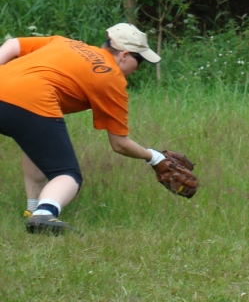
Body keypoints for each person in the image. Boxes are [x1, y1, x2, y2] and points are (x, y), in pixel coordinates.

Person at [0, 23, 170, 235]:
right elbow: (120, 144)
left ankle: (32, 208)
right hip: (31, 101)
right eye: (140, 61)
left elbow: (13, 44)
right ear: (124, 55)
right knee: (66, 174)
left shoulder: (65, 43)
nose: (138, 69)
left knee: (36, 145)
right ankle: (44, 214)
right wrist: (154, 157)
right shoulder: (112, 79)